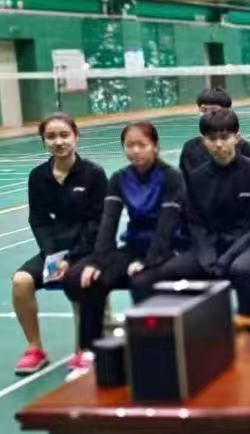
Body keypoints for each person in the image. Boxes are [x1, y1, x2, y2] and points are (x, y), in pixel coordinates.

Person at [64, 122, 188, 360]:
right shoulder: (119, 178)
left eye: (142, 144)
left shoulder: (171, 177)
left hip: (167, 249)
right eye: (130, 145)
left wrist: (148, 261)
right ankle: (92, 351)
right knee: (82, 278)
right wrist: (97, 261)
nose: (135, 151)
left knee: (141, 282)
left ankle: (151, 351)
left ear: (155, 146)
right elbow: (108, 223)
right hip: (133, 246)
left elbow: (167, 225)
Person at [144, 109, 250, 318]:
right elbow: (196, 222)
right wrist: (207, 255)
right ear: (204, 141)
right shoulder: (197, 178)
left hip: (249, 244)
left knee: (242, 269)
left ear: (237, 138)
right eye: (212, 139)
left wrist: (227, 258)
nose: (219, 144)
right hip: (212, 244)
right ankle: (193, 323)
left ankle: (248, 325)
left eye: (224, 137)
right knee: (169, 271)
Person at [9, 114, 109, 375]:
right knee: (21, 282)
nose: (58, 142)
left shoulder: (94, 174)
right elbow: (38, 220)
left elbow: (99, 223)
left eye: (64, 135)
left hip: (86, 251)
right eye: (51, 137)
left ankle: (83, 350)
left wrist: (71, 258)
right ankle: (35, 349)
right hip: (54, 251)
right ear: (43, 141)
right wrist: (53, 256)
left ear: (76, 136)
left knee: (77, 283)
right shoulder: (38, 177)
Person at [178, 87, 233, 174]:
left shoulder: (243, 147)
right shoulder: (190, 148)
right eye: (203, 110)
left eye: (214, 110)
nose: (207, 114)